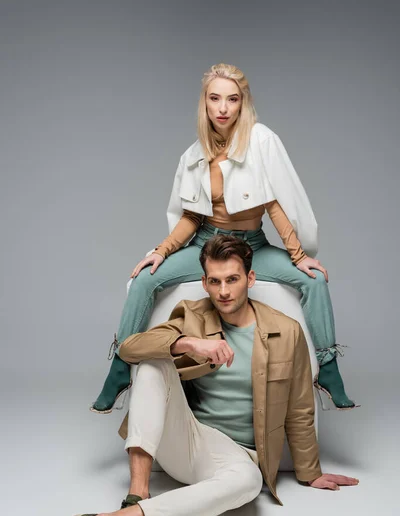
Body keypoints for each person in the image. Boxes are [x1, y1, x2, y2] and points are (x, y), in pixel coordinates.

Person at [40, 236, 359, 516]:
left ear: (250, 279)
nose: (224, 291)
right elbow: (129, 348)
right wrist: (188, 343)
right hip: (190, 440)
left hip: (241, 459)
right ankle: (137, 493)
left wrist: (310, 472)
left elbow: (300, 407)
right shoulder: (192, 314)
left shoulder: (286, 331)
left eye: (233, 279)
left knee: (249, 484)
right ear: (205, 283)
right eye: (215, 281)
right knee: (153, 360)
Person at [91, 62, 358, 414]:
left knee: (315, 282)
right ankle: (120, 368)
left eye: (232, 100)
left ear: (242, 103)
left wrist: (297, 256)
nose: (222, 108)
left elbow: (275, 205)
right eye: (214, 99)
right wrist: (162, 250)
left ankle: (327, 368)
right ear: (204, 102)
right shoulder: (193, 154)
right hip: (206, 245)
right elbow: (190, 216)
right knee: (144, 279)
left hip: (252, 248)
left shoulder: (261, 141)